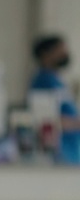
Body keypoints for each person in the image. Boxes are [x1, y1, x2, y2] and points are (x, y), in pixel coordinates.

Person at [28, 34, 80, 162]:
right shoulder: (42, 82)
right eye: (60, 50)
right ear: (46, 54)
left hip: (72, 152)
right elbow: (44, 120)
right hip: (60, 155)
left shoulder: (57, 81)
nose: (65, 53)